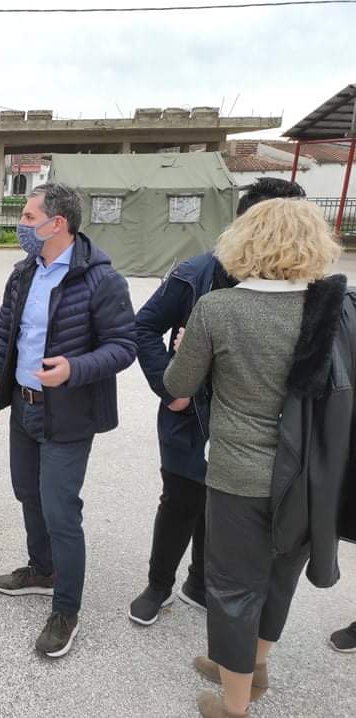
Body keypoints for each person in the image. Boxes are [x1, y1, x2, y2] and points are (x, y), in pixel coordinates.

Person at [162, 198, 353, 718]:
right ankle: (254, 666)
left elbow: (178, 386)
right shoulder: (333, 311)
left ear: (243, 241)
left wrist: (184, 349)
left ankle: (234, 704)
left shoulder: (219, 309)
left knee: (232, 589)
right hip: (309, 476)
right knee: (278, 579)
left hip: (238, 477)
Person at [129, 178, 307, 627]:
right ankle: (158, 585)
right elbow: (144, 327)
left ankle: (200, 583)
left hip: (252, 430)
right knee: (180, 499)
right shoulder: (195, 275)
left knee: (221, 504)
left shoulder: (305, 289)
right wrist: (171, 390)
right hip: (189, 417)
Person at [0, 183, 137, 658]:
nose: (21, 225)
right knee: (27, 492)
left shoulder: (102, 280)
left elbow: (123, 346)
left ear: (57, 223)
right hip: (24, 406)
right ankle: (42, 569)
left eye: (28, 217)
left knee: (60, 509)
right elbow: (3, 333)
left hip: (69, 413)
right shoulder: (24, 272)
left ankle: (66, 609)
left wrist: (74, 369)